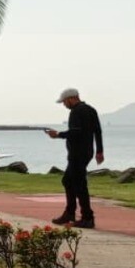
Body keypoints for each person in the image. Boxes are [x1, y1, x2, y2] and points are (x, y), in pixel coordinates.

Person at [46, 87, 103, 228]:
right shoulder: (91, 110)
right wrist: (99, 151)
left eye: (64, 102)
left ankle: (87, 217)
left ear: (71, 98)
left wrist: (58, 135)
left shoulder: (76, 112)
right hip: (87, 151)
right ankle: (70, 213)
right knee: (68, 181)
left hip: (78, 153)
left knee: (79, 184)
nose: (64, 105)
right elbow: (98, 131)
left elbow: (75, 132)